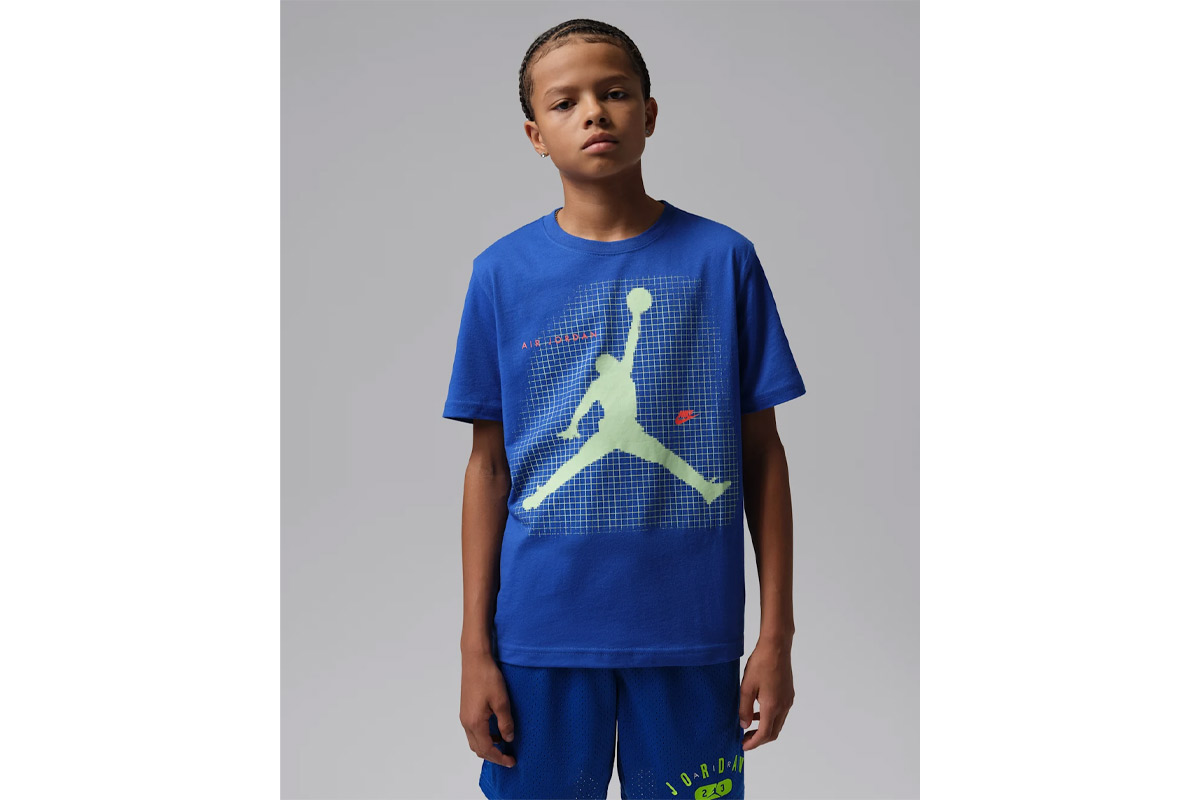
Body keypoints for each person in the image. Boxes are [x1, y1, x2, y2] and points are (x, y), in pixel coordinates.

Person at [442, 18, 807, 800]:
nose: (594, 113)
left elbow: (763, 456)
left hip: (690, 635)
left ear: (649, 111)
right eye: (565, 102)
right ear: (536, 136)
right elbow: (489, 466)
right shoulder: (501, 274)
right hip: (540, 636)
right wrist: (475, 647)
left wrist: (776, 635)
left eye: (614, 93)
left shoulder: (723, 261)